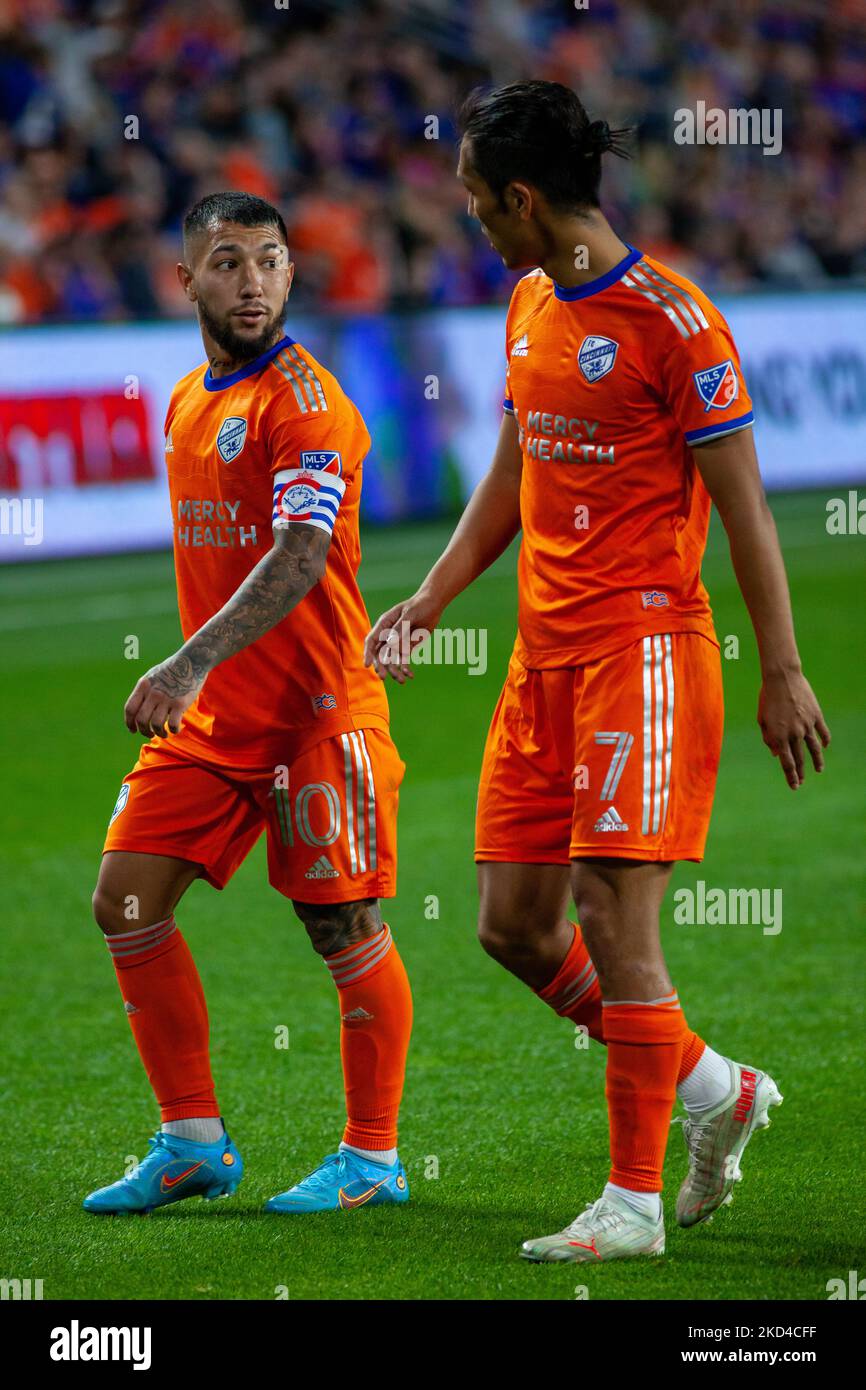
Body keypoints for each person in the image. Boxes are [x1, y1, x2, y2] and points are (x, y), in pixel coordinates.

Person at [365, 81, 830, 1263]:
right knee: (511, 927)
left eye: (476, 203)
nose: (472, 223)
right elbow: (514, 476)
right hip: (540, 663)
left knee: (612, 922)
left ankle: (628, 1205)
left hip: (644, 658)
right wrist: (433, 595)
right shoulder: (529, 305)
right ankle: (713, 1086)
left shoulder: (675, 322)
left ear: (523, 198)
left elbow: (746, 511)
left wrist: (778, 670)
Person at [86, 191, 412, 1217]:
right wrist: (202, 678)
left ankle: (372, 1159)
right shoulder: (187, 400)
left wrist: (184, 663)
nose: (254, 281)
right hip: (219, 722)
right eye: (227, 262)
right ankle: (191, 1139)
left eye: (271, 260)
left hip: (318, 714)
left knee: (340, 923)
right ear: (183, 279)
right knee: (124, 900)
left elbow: (302, 552)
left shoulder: (307, 403)